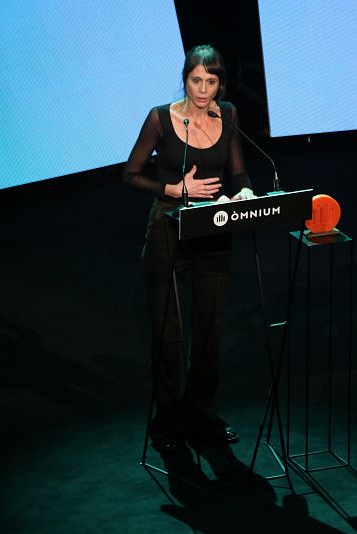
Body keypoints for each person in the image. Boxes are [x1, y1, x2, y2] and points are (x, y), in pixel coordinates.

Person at [123, 45, 255, 453]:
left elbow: (237, 171)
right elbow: (130, 174)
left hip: (214, 230)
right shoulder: (160, 118)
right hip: (168, 228)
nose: (203, 90)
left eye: (211, 82)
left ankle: (203, 411)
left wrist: (246, 193)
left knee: (209, 329)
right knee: (169, 334)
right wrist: (174, 189)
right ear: (185, 78)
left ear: (220, 83)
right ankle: (168, 422)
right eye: (196, 80)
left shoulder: (228, 114)